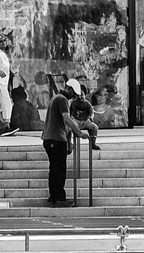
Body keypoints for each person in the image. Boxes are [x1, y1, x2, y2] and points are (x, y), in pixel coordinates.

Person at [42, 78, 89, 207]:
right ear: (69, 89)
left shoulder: (55, 98)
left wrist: (69, 140)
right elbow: (67, 120)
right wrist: (78, 133)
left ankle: (53, 198)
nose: (73, 97)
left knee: (54, 170)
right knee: (59, 170)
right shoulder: (62, 99)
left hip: (49, 138)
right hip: (56, 138)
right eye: (73, 94)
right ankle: (60, 198)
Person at [68, 82, 100, 151]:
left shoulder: (87, 104)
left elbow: (91, 112)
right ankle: (69, 144)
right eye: (78, 95)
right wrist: (70, 118)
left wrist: (91, 118)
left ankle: (93, 143)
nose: (80, 97)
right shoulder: (73, 103)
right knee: (71, 127)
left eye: (81, 95)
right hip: (75, 119)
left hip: (85, 120)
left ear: (85, 95)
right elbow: (69, 112)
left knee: (94, 127)